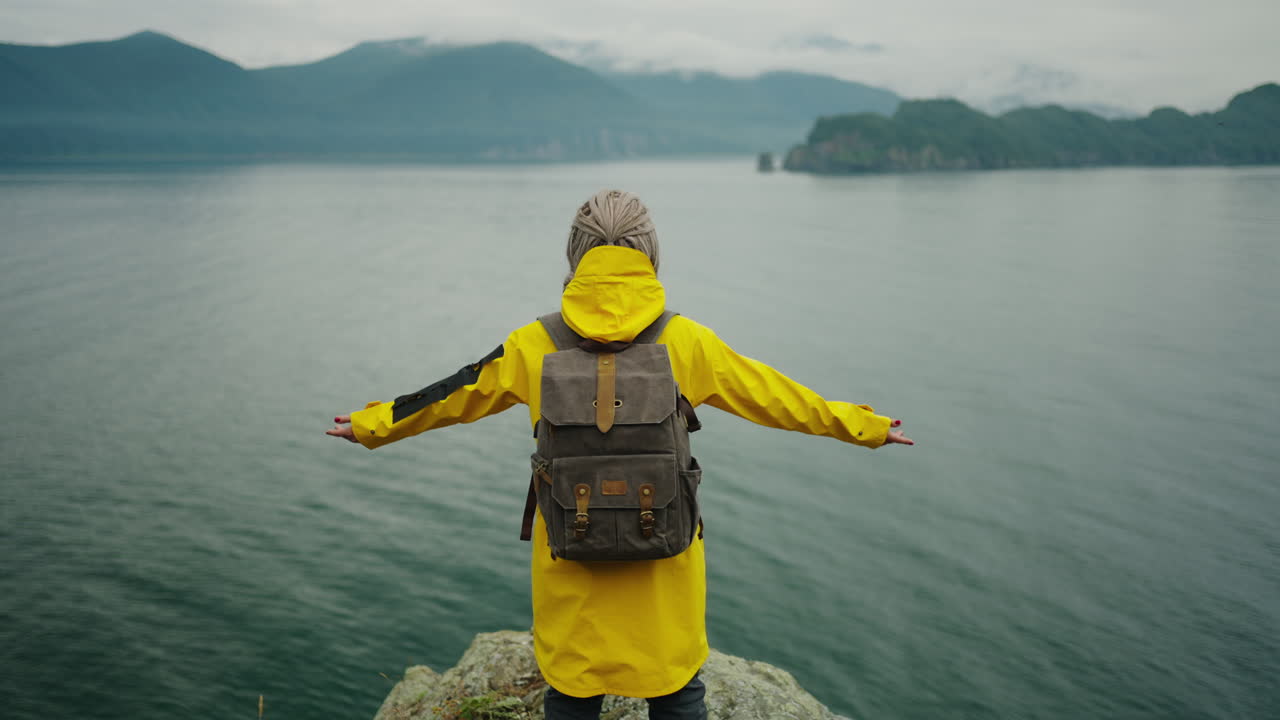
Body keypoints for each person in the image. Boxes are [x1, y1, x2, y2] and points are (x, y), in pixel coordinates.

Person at [326, 189, 914, 720]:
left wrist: (372, 424)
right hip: (663, 565)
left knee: (573, 695)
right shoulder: (685, 341)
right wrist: (862, 426)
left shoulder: (535, 343)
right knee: (678, 694)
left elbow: (453, 393)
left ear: (575, 256)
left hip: (572, 566)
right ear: (651, 254)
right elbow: (778, 397)